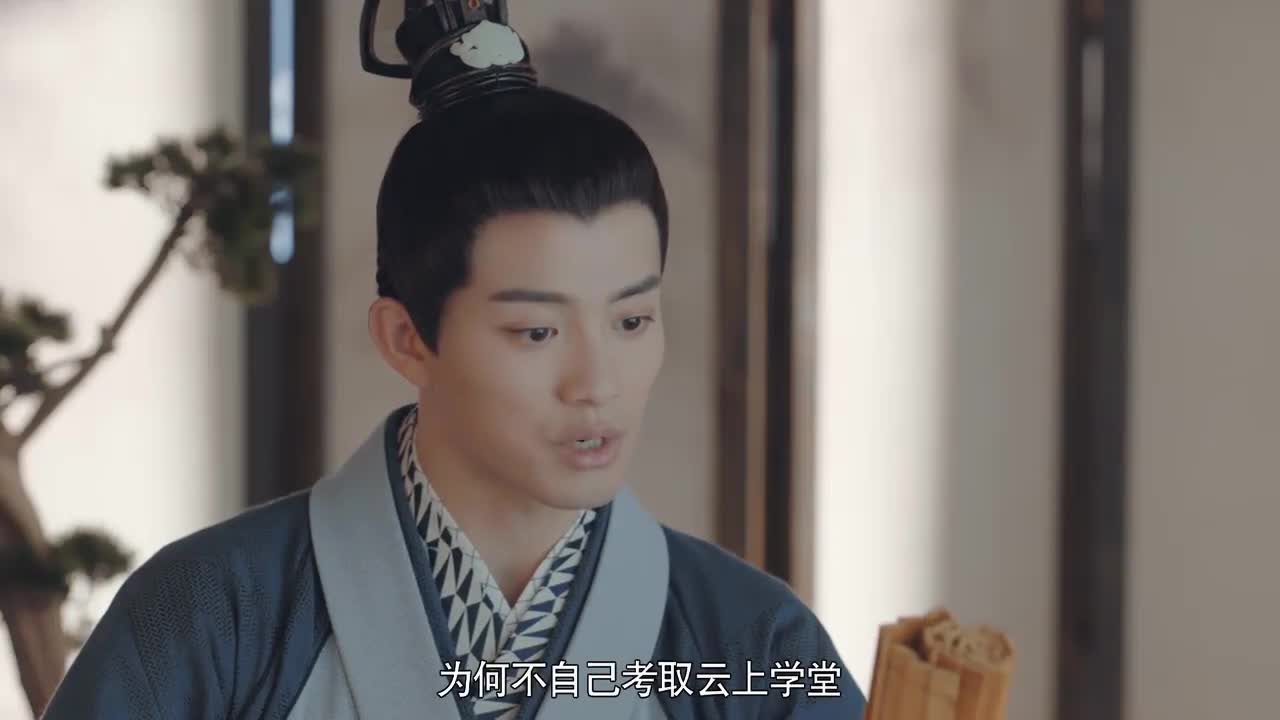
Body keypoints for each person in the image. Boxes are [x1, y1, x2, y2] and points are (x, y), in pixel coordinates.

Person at [42, 2, 866, 718]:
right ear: (407, 339)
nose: (598, 384)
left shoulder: (753, 642)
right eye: (536, 332)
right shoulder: (210, 616)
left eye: (632, 319)